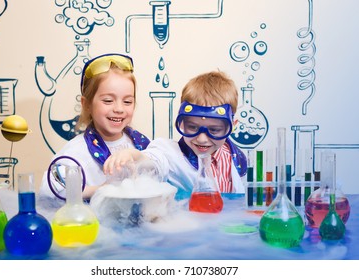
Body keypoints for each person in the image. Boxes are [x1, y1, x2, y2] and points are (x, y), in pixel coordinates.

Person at [104, 70, 247, 200]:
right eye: (192, 127)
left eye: (214, 130)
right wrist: (134, 155)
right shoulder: (171, 155)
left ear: (232, 125)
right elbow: (153, 161)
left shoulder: (235, 157)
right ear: (182, 122)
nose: (202, 139)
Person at [38, 53, 150, 206]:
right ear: (87, 104)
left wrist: (139, 157)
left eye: (127, 101)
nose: (119, 109)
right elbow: (50, 189)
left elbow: (159, 172)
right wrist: (99, 190)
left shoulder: (139, 144)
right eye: (108, 101)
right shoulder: (77, 151)